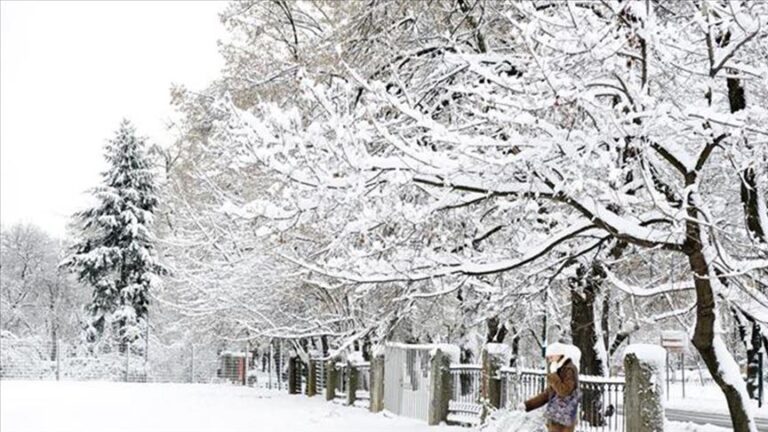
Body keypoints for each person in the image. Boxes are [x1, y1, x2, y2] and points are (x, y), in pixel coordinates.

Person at [516, 342, 581, 432]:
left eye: (551, 357)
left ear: (559, 354)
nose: (549, 360)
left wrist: (554, 375)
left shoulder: (569, 369)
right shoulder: (558, 369)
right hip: (556, 416)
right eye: (548, 358)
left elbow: (564, 391)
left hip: (565, 418)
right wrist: (527, 405)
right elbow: (548, 394)